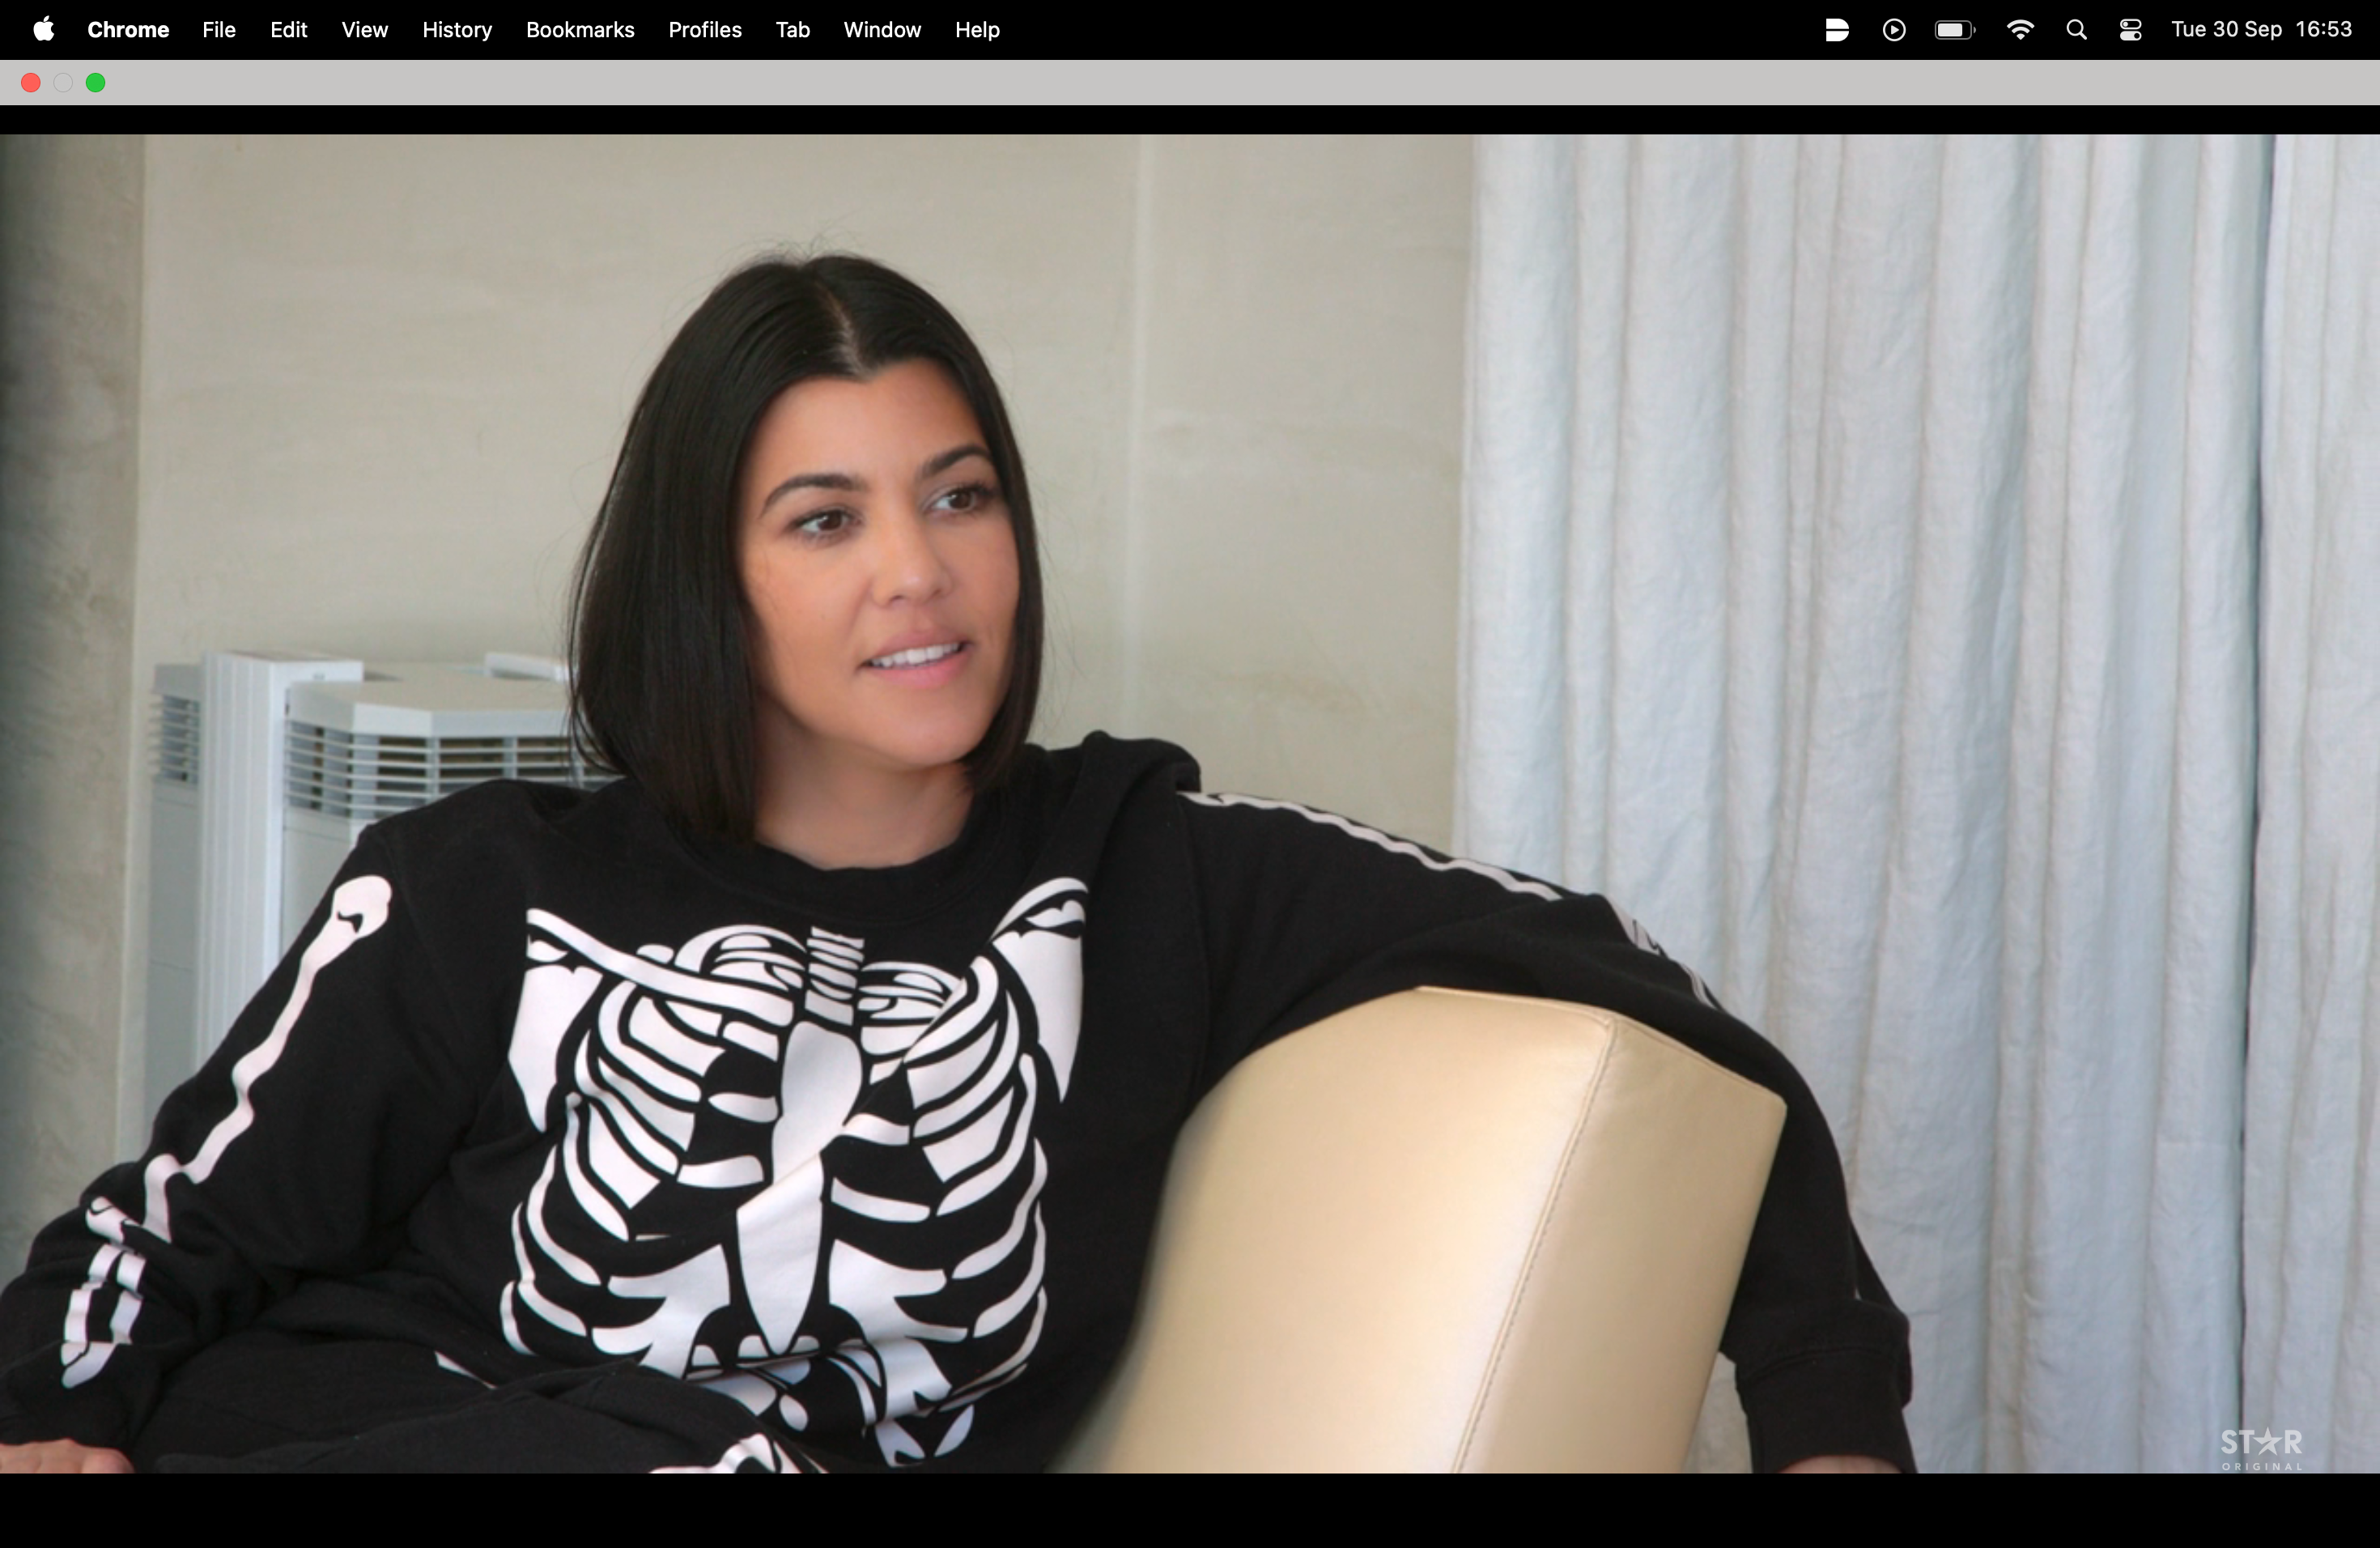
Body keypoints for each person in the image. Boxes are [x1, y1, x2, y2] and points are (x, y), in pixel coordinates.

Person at [0, 254, 1914, 1473]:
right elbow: (159, 1232)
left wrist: (1830, 1430)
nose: (918, 571)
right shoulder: (476, 881)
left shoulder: (1152, 872)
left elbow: (1636, 990)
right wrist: (47, 1415)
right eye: (823, 518)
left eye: (961, 494)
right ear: (707, 581)